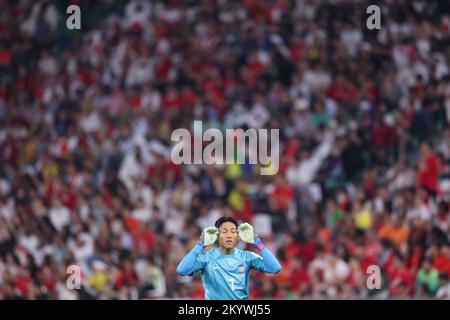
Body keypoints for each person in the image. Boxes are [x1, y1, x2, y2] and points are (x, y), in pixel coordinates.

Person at [176, 216, 281, 300]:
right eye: (224, 232)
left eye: (233, 231)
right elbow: (182, 270)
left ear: (238, 236)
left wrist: (257, 243)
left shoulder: (247, 257)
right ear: (217, 236)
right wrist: (200, 245)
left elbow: (275, 268)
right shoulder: (206, 258)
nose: (229, 235)